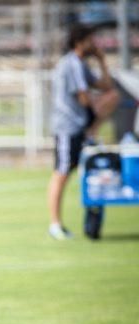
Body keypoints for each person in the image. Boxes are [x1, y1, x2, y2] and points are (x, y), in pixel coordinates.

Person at [48, 24, 119, 240]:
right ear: (80, 42)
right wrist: (96, 105)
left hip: (81, 125)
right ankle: (55, 224)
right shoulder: (71, 64)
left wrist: (102, 60)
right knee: (61, 173)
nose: (94, 44)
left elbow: (106, 86)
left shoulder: (81, 64)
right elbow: (84, 97)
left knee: (113, 96)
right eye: (90, 40)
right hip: (68, 127)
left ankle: (91, 132)